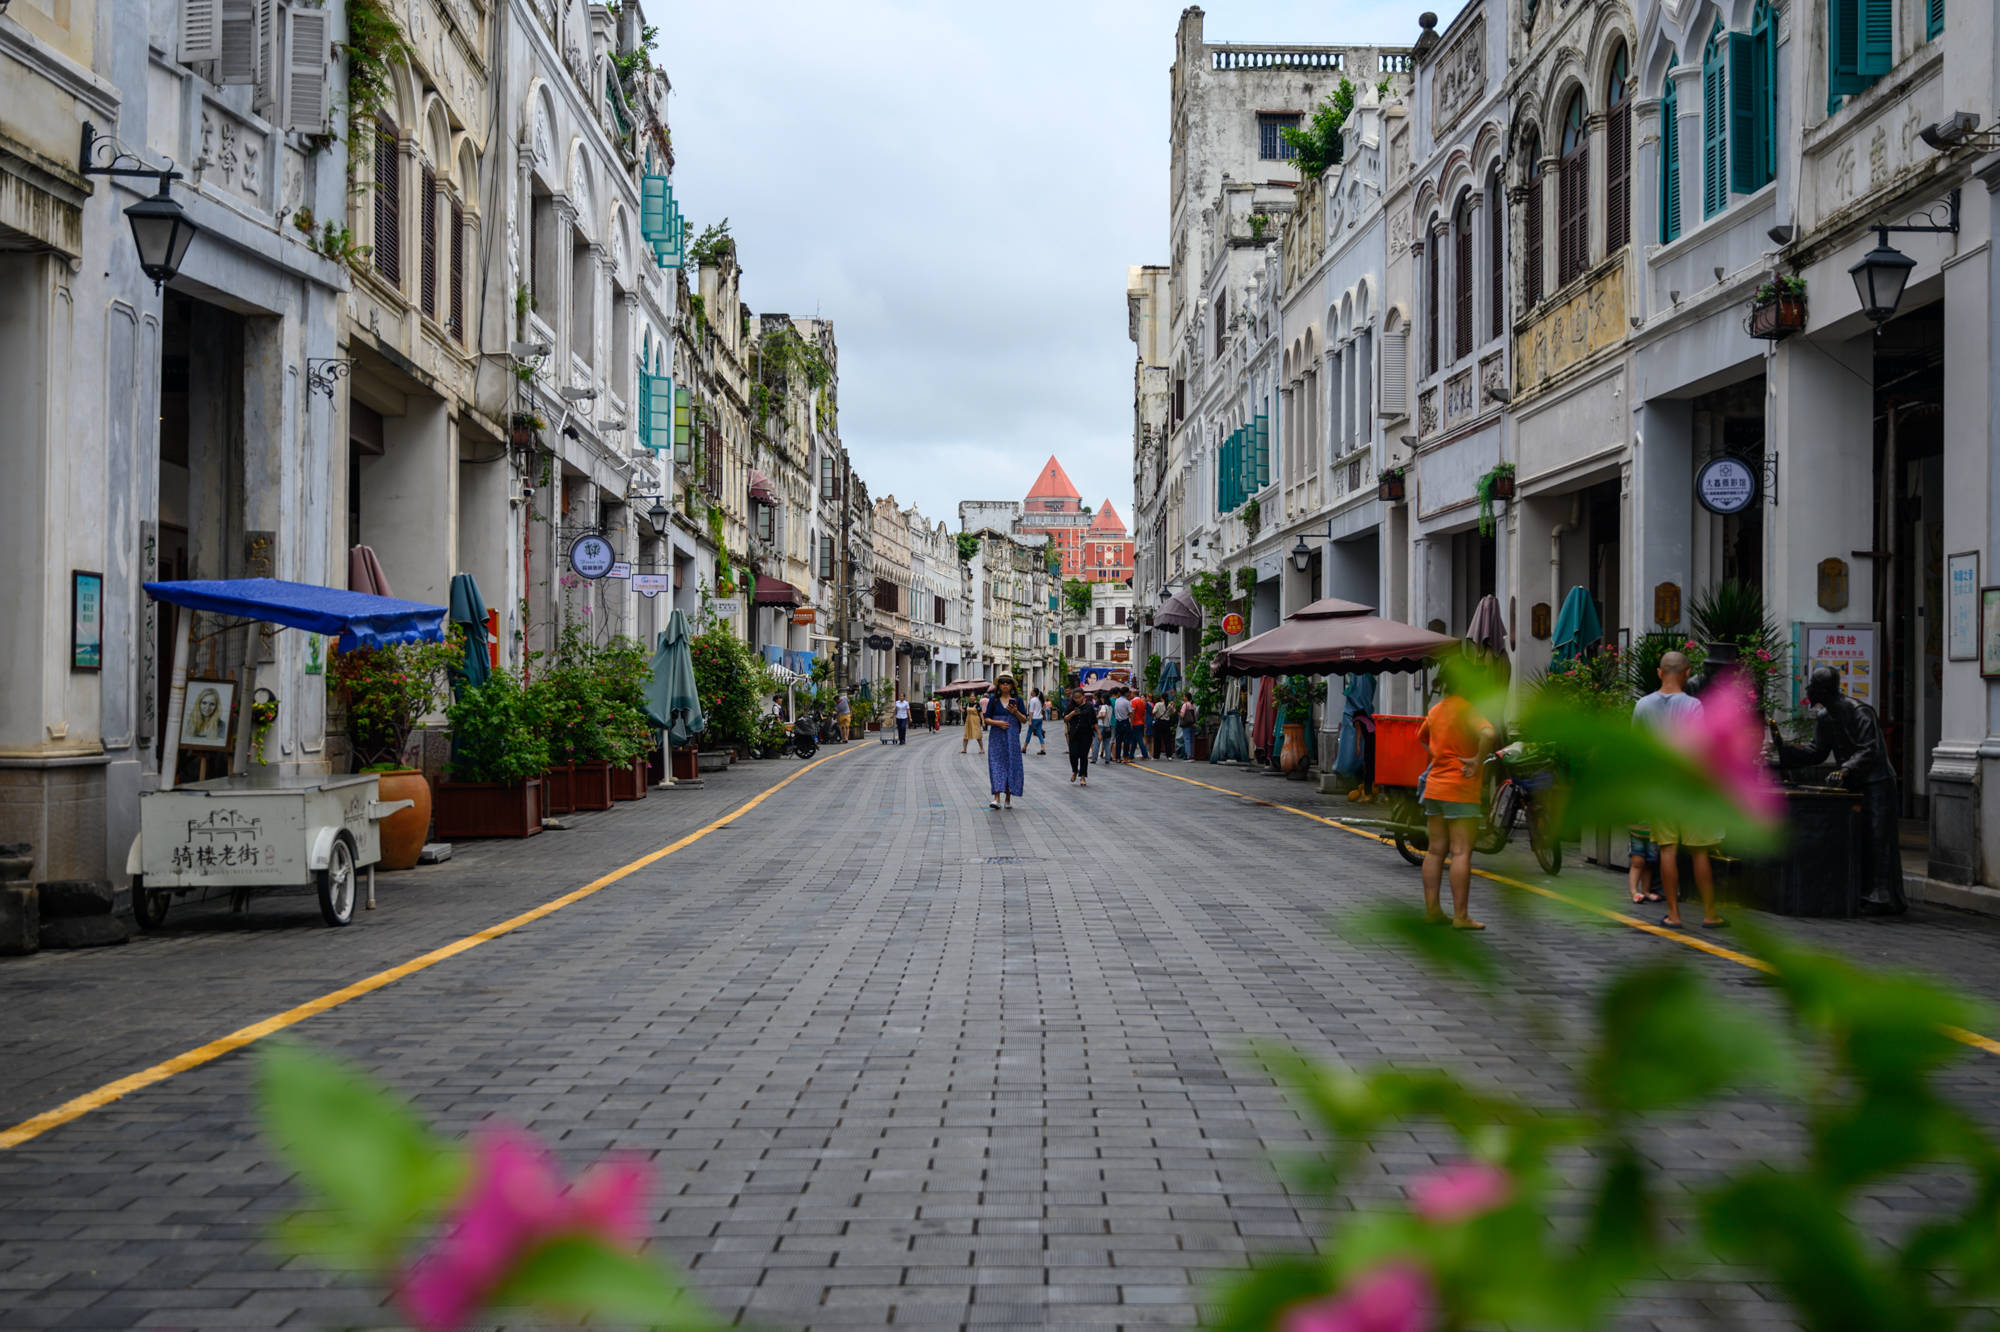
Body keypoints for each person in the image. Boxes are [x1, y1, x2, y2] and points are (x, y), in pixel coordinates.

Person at [1773, 665, 1907, 914]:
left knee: (1877, 838)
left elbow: (1869, 749)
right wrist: (1786, 750)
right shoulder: (1825, 717)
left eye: (1811, 685)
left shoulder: (1860, 712)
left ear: (1823, 689)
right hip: (1853, 782)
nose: (1808, 689)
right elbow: (1817, 752)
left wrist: (1845, 769)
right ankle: (1860, 891)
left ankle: (1882, 897)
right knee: (1857, 838)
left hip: (1876, 781)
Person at [1635, 650, 1726, 929]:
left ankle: (1673, 915)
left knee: (1667, 850)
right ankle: (1710, 914)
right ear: (1687, 673)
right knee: (1700, 852)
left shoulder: (1642, 706)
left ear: (1660, 673)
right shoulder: (1694, 706)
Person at [1417, 659, 1496, 930]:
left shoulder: (1436, 709)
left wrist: (1438, 756)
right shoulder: (1468, 710)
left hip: (1435, 786)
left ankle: (1432, 910)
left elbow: (1422, 737)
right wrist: (1476, 759)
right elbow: (1489, 732)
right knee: (1461, 851)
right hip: (1460, 787)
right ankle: (1461, 916)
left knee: (1435, 850)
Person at [982, 674, 1030, 809]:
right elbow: (986, 719)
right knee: (996, 764)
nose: (1005, 685)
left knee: (1011, 764)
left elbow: (1024, 720)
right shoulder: (993, 700)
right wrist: (998, 723)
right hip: (996, 736)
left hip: (1012, 737)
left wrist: (1015, 712)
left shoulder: (1017, 700)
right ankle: (996, 798)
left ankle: (1008, 797)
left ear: (1012, 686)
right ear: (999, 686)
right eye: (1002, 683)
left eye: (1007, 683)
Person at [1337, 673, 1378, 802]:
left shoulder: (1356, 719)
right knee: (1371, 767)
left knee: (1368, 766)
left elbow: (1359, 734)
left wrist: (1358, 747)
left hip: (1369, 742)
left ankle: (1368, 793)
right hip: (1374, 739)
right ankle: (1370, 791)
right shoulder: (1368, 718)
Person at [1064, 687, 1098, 786]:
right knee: (1073, 755)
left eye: (1079, 697)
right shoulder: (1071, 707)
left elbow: (1094, 721)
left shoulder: (1089, 707)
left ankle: (1083, 777)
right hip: (1074, 734)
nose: (1077, 699)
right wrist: (1072, 713)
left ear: (1083, 696)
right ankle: (1075, 770)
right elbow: (1065, 719)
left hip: (1086, 734)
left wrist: (1098, 734)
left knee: (1083, 756)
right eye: (1075, 697)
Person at [1112, 688, 1133, 762]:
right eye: (1129, 693)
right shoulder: (1127, 702)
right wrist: (1131, 723)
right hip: (1125, 722)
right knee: (1126, 740)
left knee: (1118, 740)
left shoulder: (1117, 701)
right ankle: (1125, 757)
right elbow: (1131, 713)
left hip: (1118, 722)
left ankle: (1118, 758)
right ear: (1126, 693)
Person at [1094, 690, 1115, 764]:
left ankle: (1094, 758)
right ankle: (1107, 759)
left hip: (1101, 726)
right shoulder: (1110, 707)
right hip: (1108, 726)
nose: (1101, 700)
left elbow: (1103, 715)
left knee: (1097, 742)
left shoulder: (1103, 707)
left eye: (1102, 699)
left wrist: (1097, 717)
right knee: (1106, 743)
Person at [1130, 692, 1150, 760]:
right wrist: (1144, 724)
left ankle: (1145, 755)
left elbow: (1132, 713)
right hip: (1141, 723)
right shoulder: (1143, 703)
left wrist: (1131, 723)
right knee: (1134, 740)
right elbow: (1144, 714)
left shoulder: (1134, 701)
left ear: (1133, 694)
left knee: (1139, 740)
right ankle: (1131, 755)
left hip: (1135, 723)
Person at [1026, 688, 1048, 755]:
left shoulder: (1033, 700)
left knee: (1029, 732)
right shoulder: (1040, 700)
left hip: (1034, 718)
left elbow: (1031, 711)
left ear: (1034, 693)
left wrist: (1030, 720)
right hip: (1040, 718)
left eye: (1032, 690)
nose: (1030, 691)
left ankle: (1024, 747)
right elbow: (1043, 708)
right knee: (1039, 733)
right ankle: (1043, 748)